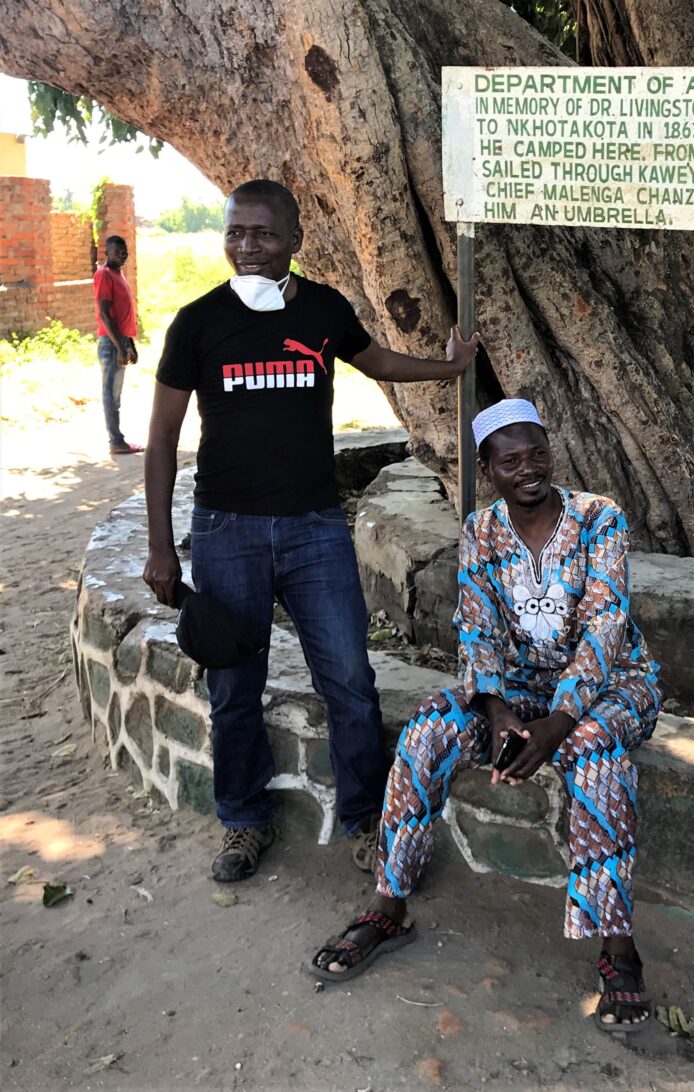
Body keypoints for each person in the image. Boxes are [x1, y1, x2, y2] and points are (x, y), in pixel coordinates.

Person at [141, 179, 479, 883]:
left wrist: (449, 367)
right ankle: (242, 821)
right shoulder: (198, 323)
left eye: (262, 234)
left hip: (315, 530)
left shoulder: (324, 309)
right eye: (235, 233)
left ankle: (364, 820)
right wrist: (158, 546)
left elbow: (376, 360)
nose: (247, 247)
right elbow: (164, 438)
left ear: (294, 238)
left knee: (350, 678)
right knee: (235, 685)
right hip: (226, 531)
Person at [307, 400, 661, 1032]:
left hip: (613, 688)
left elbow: (605, 630)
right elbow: (478, 631)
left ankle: (618, 951)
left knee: (592, 754)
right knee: (427, 731)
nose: (529, 469)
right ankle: (389, 906)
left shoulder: (598, 519)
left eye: (538, 454)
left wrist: (555, 725)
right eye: (511, 460)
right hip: (516, 691)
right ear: (488, 469)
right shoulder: (480, 530)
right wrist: (496, 711)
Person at [94, 235, 141, 456]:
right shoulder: (103, 274)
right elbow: (104, 314)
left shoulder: (118, 273)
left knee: (115, 395)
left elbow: (121, 315)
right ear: (107, 253)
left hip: (120, 341)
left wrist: (129, 343)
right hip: (110, 343)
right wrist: (120, 347)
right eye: (118, 253)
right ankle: (115, 441)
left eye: (125, 253)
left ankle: (117, 439)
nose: (123, 256)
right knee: (110, 394)